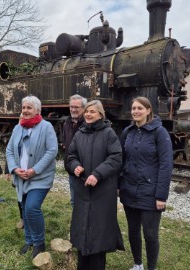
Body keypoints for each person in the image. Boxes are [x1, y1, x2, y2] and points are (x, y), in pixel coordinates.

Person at [66, 100, 124, 270]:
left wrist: (97, 174)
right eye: (87, 112)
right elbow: (70, 156)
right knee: (82, 230)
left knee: (99, 234)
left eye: (93, 112)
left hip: (102, 192)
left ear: (101, 114)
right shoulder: (80, 133)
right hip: (83, 191)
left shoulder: (109, 133)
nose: (88, 114)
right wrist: (74, 166)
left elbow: (115, 158)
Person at [119, 97, 173, 270]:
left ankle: (151, 267)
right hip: (129, 190)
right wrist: (119, 185)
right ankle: (138, 264)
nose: (135, 111)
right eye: (133, 108)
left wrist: (161, 196)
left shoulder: (160, 133)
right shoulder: (128, 132)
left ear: (149, 110)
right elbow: (121, 160)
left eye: (140, 108)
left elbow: (166, 165)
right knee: (133, 232)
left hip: (150, 193)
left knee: (150, 234)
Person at [6, 95, 58, 259]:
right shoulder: (17, 128)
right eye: (24, 108)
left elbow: (52, 151)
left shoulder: (46, 127)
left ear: (37, 110)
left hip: (39, 178)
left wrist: (35, 170)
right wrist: (14, 168)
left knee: (31, 208)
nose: (25, 111)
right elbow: (9, 151)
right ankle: (28, 240)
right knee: (24, 207)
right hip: (21, 177)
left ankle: (39, 243)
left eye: (29, 108)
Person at [62, 94, 87, 207]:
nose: (73, 109)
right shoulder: (67, 123)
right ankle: (77, 224)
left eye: (76, 107)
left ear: (84, 108)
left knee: (85, 201)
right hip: (71, 168)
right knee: (73, 201)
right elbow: (65, 142)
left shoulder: (88, 124)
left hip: (85, 169)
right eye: (71, 106)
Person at [4, 162, 24, 229]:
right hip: (18, 174)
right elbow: (9, 153)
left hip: (33, 175)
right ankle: (23, 220)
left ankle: (32, 220)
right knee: (20, 198)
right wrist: (7, 171)